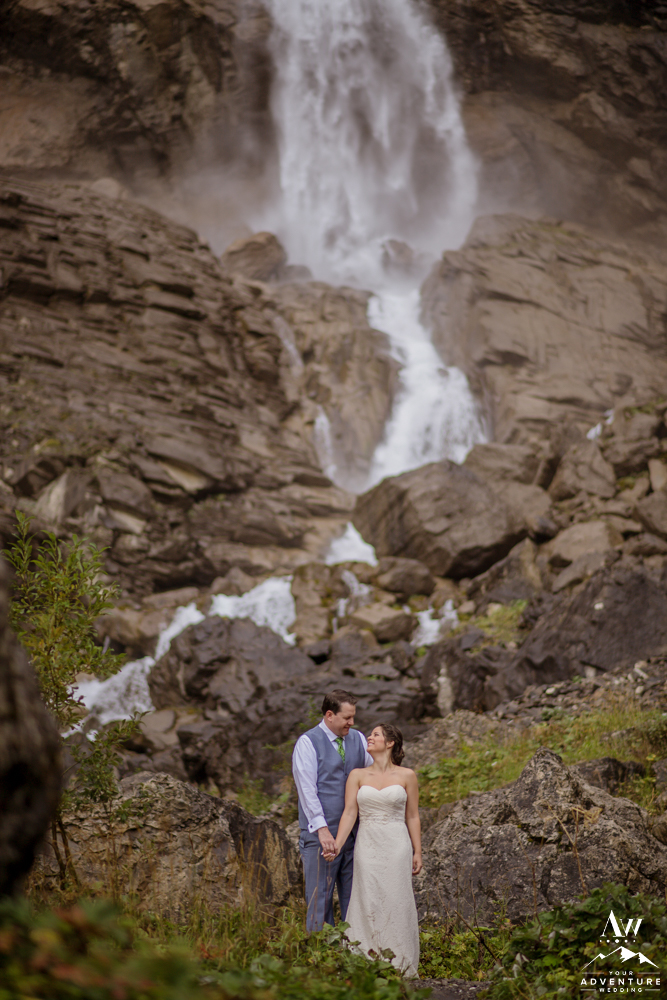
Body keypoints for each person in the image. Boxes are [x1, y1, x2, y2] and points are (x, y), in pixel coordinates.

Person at [329, 722, 421, 978]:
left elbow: (412, 816)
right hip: (367, 844)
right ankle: (365, 961)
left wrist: (417, 851)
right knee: (367, 898)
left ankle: (399, 963)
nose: (369, 737)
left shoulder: (407, 775)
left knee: (396, 898)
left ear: (390, 743)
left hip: (397, 844)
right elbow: (350, 813)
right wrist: (337, 845)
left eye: (375, 735)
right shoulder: (357, 775)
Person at [292, 689, 373, 931]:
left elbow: (373, 776)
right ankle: (320, 950)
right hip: (321, 837)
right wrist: (323, 830)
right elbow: (307, 791)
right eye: (347, 717)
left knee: (354, 899)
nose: (352, 722)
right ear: (329, 715)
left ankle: (354, 948)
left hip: (354, 836)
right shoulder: (307, 743)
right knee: (320, 900)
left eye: (353, 716)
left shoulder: (358, 739)